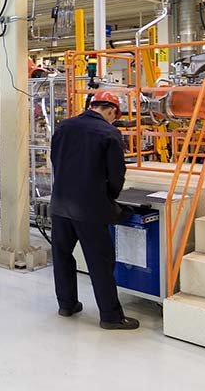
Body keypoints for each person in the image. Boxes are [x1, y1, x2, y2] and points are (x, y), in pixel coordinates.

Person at [49, 90, 139, 330]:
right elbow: (116, 176)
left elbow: (54, 160)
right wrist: (109, 198)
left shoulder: (64, 126)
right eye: (114, 116)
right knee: (100, 262)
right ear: (110, 110)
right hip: (89, 209)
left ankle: (66, 304)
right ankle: (111, 316)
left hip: (59, 205)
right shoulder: (109, 132)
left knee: (62, 256)